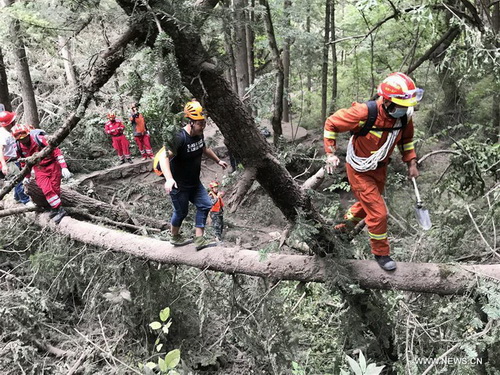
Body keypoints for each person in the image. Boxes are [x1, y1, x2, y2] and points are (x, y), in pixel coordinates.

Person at [324, 72, 422, 271]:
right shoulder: (364, 113)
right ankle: (381, 253)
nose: (405, 109)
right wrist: (330, 153)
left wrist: (411, 162)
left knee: (365, 204)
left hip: (380, 169)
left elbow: (406, 140)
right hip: (359, 170)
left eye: (407, 106)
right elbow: (331, 123)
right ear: (386, 101)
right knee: (378, 214)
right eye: (402, 106)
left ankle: (340, 230)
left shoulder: (404, 118)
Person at [158, 99, 228, 250]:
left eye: (203, 122)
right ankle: (175, 237)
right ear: (190, 122)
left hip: (194, 183)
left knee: (205, 205)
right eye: (199, 123)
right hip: (179, 185)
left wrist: (218, 161)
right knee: (181, 212)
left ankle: (199, 239)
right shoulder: (179, 138)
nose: (203, 126)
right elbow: (164, 157)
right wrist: (169, 179)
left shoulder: (199, 134)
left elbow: (204, 149)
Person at [11, 123, 72, 224]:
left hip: (53, 166)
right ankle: (59, 209)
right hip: (39, 169)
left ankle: (55, 209)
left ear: (28, 134)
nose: (23, 140)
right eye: (20, 139)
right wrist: (27, 176)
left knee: (54, 189)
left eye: (24, 137)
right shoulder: (18, 147)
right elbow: (23, 162)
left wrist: (64, 167)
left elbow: (56, 151)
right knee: (47, 189)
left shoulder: (39, 139)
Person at [0, 111, 32, 205]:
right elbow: (0, 151)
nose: (14, 122)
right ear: (7, 123)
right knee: (18, 178)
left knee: (17, 178)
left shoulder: (11, 131)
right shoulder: (3, 135)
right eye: (12, 121)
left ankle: (17, 197)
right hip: (9, 161)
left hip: (16, 159)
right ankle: (25, 200)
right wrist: (4, 165)